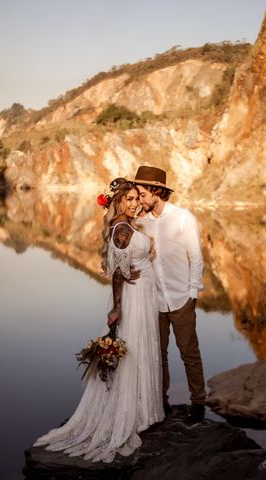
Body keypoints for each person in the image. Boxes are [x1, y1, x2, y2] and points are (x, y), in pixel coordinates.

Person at [33, 178, 164, 463]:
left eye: (135, 198)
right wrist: (117, 309)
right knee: (134, 348)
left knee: (142, 347)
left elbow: (122, 264)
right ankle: (133, 412)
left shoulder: (128, 224)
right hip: (132, 299)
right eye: (128, 199)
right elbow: (117, 273)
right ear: (117, 202)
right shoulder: (121, 229)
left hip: (142, 293)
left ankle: (144, 410)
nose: (134, 203)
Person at [133, 166, 206, 424]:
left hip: (180, 299)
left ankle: (198, 405)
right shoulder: (141, 223)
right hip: (154, 300)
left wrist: (192, 293)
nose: (140, 199)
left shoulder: (183, 218)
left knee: (189, 353)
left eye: (142, 194)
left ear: (156, 190)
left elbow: (196, 258)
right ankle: (160, 403)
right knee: (158, 354)